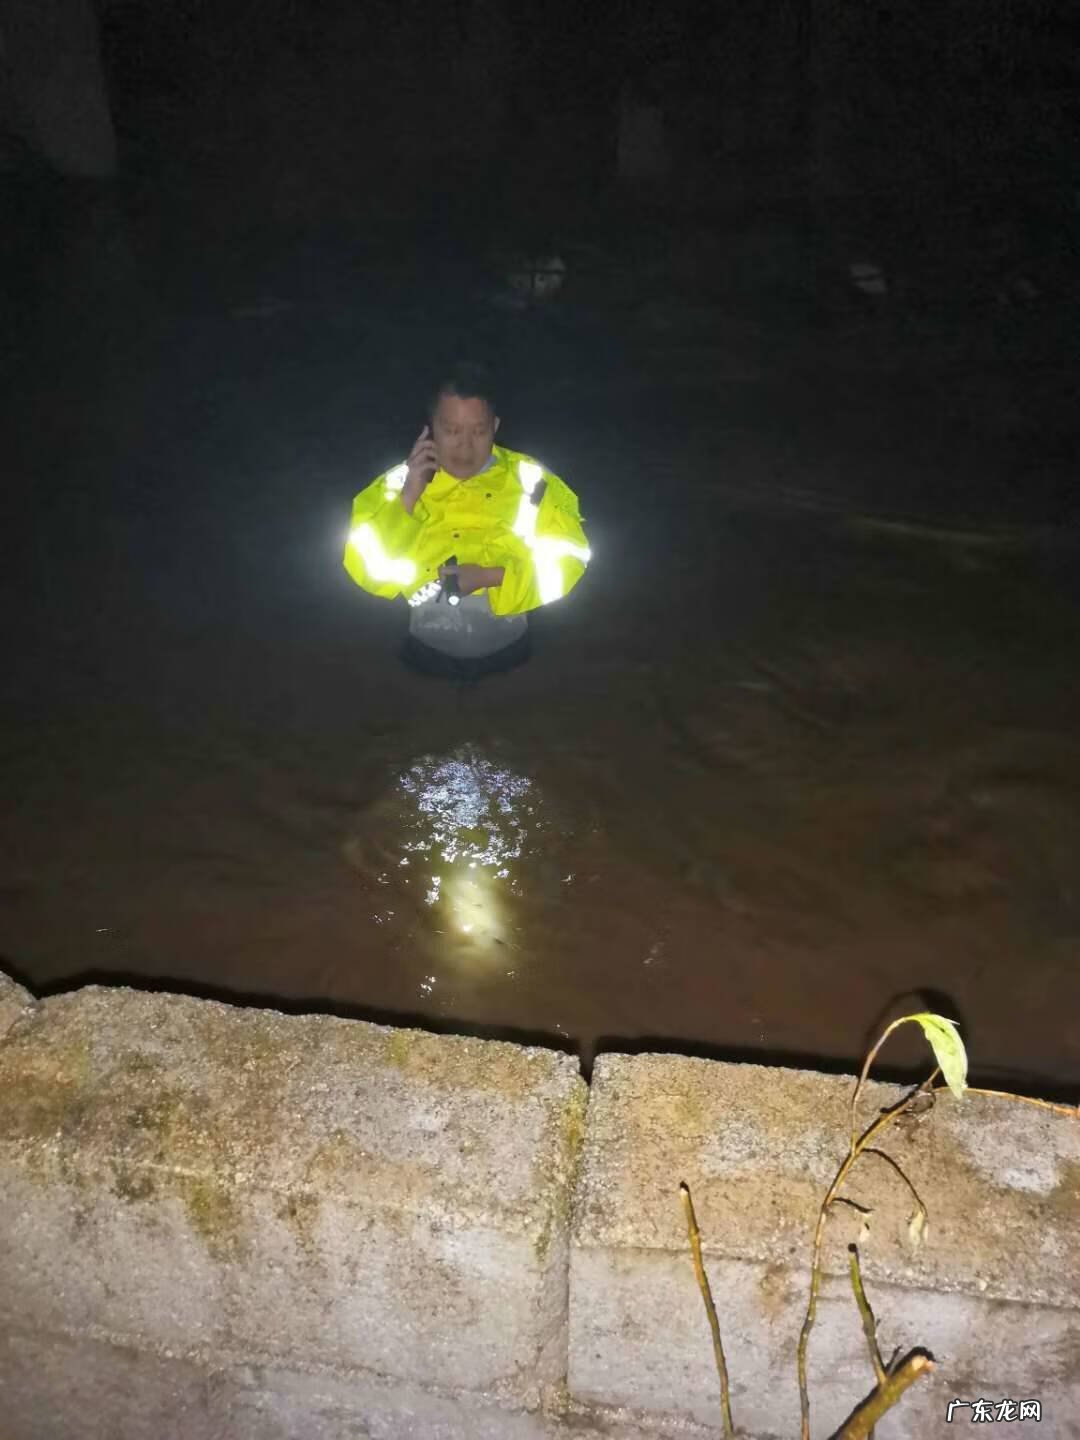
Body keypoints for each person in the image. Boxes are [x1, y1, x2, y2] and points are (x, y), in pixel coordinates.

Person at [343, 365, 590, 678]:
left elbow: (569, 559)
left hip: (516, 658)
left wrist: (492, 577)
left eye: (478, 431)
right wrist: (408, 498)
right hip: (421, 659)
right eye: (452, 430)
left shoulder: (533, 481)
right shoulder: (398, 484)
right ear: (431, 428)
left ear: (495, 427)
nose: (465, 445)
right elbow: (367, 570)